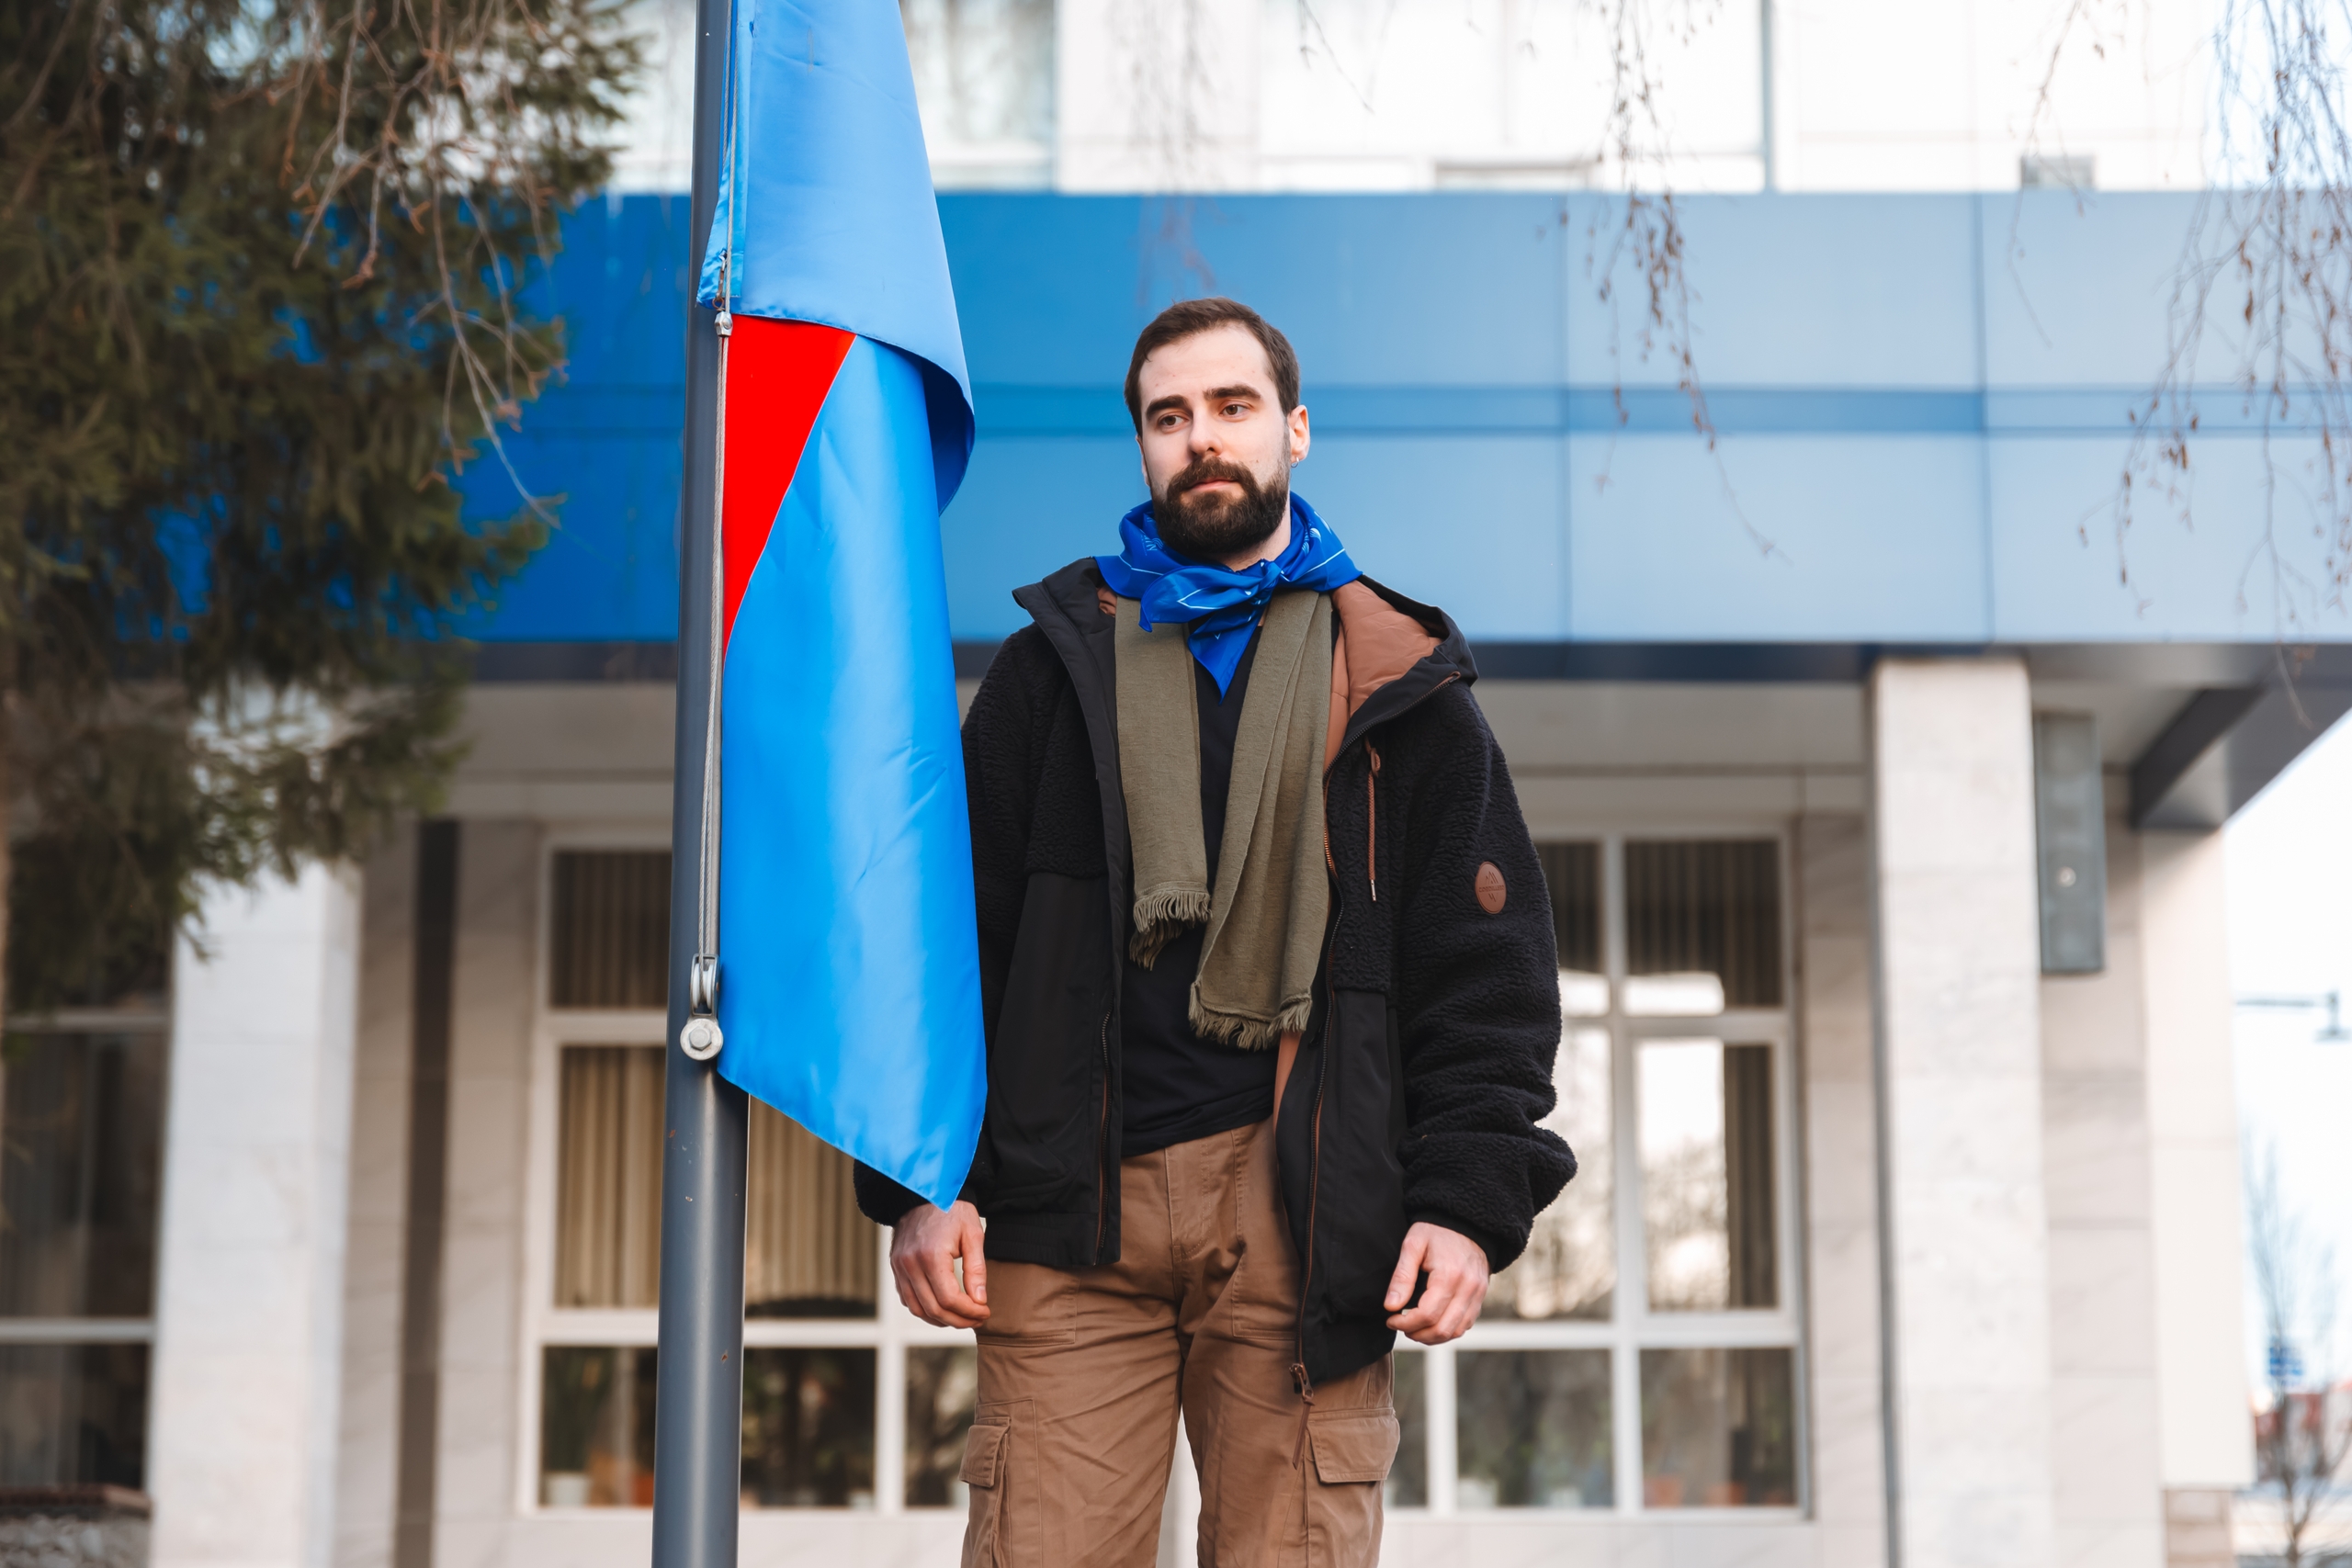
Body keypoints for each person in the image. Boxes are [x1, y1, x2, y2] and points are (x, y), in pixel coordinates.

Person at [854, 297, 1574, 1567]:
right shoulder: (1049, 674)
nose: (1202, 438)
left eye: (1234, 407)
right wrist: (926, 1181)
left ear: (1293, 429)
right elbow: (950, 946)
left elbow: (1487, 985)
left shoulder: (1400, 687)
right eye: (1169, 416)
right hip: (1068, 1210)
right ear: (1142, 445)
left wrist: (1466, 1202)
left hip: (1306, 1217)